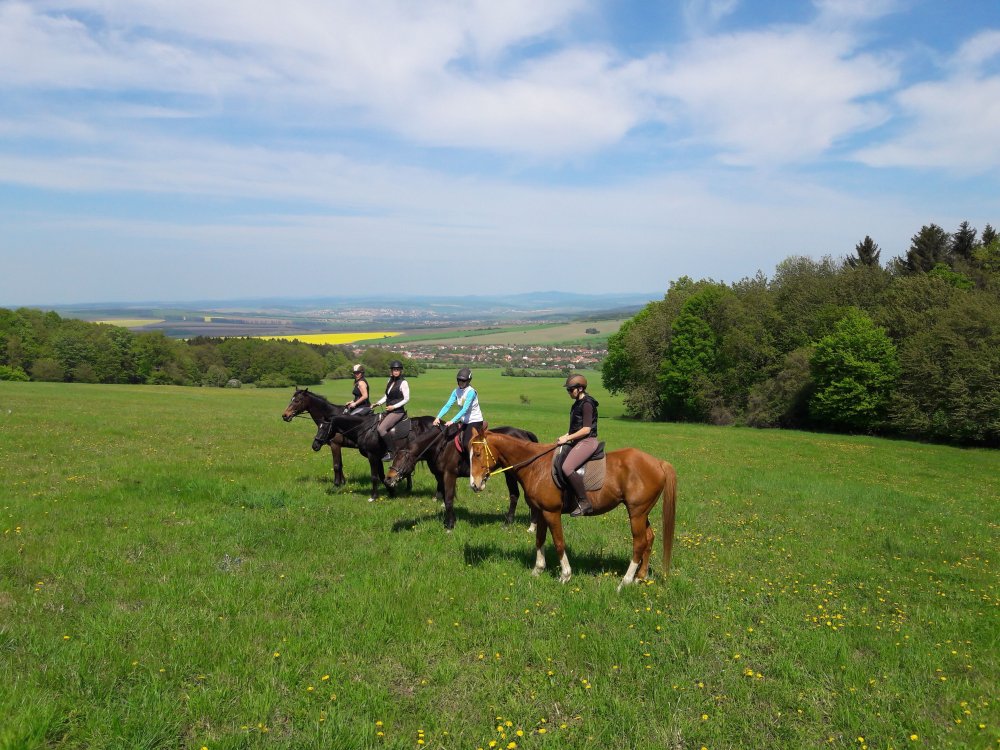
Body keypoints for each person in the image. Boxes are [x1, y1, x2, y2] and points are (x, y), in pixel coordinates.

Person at [556, 373, 599, 517]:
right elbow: (575, 428)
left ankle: (584, 502)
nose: (569, 392)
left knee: (567, 467)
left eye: (570, 389)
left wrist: (567, 438)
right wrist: (565, 436)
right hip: (577, 441)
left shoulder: (587, 404)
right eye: (567, 390)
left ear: (580, 389)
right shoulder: (576, 404)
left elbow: (586, 429)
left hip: (587, 441)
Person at [433, 367, 483, 455]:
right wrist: (438, 417)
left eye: (463, 381)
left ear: (468, 381)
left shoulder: (471, 392)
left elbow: (464, 410)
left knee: (466, 443)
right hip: (464, 421)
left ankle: (470, 463)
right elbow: (448, 405)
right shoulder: (456, 391)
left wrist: (452, 421)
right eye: (459, 380)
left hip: (474, 421)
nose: (461, 382)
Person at [372, 359, 409, 461]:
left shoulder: (403, 382)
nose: (396, 371)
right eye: (394, 370)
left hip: (397, 412)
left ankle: (392, 452)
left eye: (398, 370)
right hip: (389, 410)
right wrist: (378, 403)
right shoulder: (389, 381)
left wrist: (394, 407)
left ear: (400, 371)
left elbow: (406, 399)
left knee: (381, 429)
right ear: (391, 371)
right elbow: (386, 396)